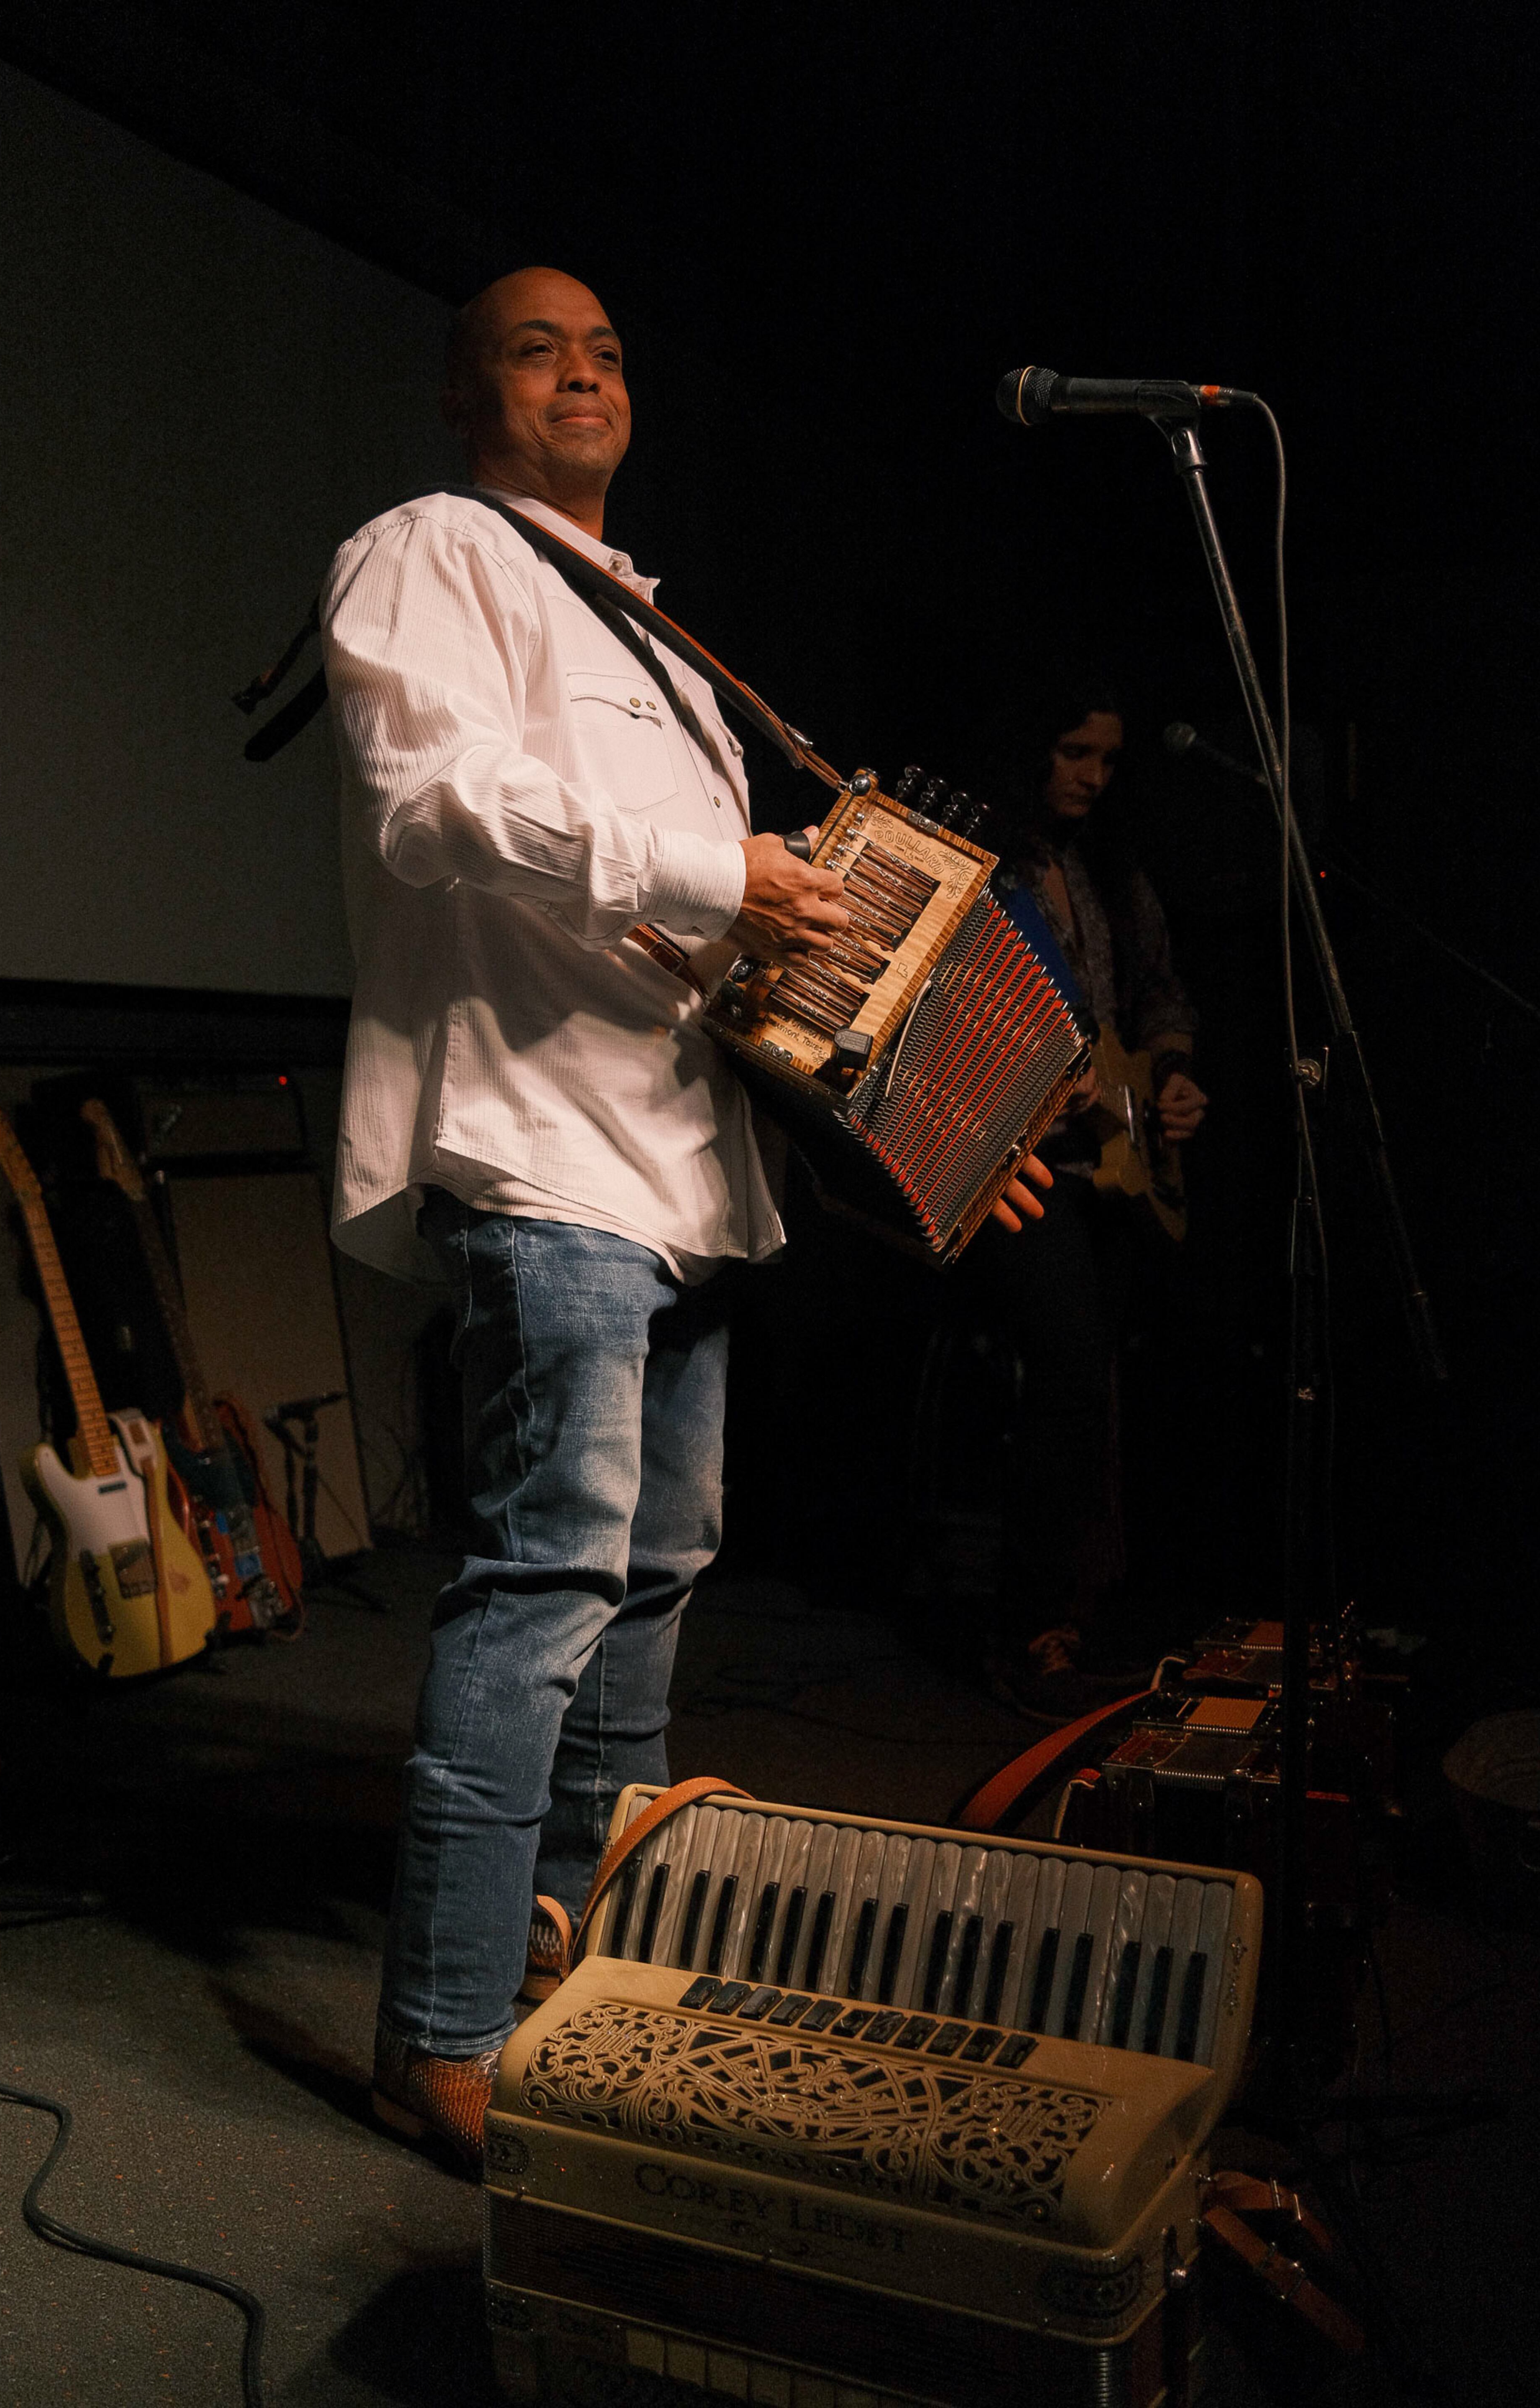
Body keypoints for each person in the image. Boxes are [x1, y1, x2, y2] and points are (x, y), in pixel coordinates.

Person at [320, 266, 1051, 2171]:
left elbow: (742, 977)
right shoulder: (428, 551)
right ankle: (443, 2022)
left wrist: (947, 1137)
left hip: (682, 1170)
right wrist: (707, 861)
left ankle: (583, 1938)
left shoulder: (665, 649)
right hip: (541, 1149)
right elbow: (429, 796)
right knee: (548, 1571)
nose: (586, 371)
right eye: (539, 347)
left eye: (612, 350)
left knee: (653, 1582)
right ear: (468, 392)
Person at [960, 673, 1208, 1722]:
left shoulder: (1113, 868)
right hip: (1012, 1172)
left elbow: (1156, 993)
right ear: (1032, 751)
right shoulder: (986, 873)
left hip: (1114, 1166)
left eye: (1108, 760)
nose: (1093, 778)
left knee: (1107, 1390)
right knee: (1062, 1380)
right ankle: (1026, 1634)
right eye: (1074, 755)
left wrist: (1176, 1077)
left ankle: (1081, 1613)